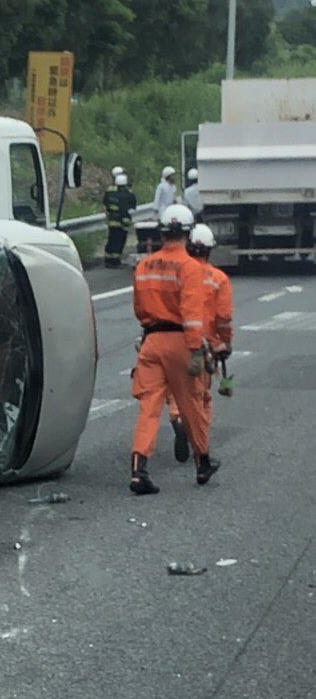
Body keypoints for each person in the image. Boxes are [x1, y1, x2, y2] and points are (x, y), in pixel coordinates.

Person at [129, 203, 219, 494]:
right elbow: (192, 312)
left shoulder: (144, 265)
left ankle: (138, 469)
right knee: (191, 404)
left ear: (162, 232)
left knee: (150, 407)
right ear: (189, 233)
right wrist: (196, 349)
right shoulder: (190, 267)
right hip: (180, 341)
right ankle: (202, 462)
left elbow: (140, 308)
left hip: (151, 340)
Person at [167, 222, 233, 462]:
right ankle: (199, 443)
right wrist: (225, 343)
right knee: (202, 395)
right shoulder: (219, 279)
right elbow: (224, 317)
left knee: (176, 389)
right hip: (206, 344)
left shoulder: (177, 272)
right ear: (209, 249)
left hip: (174, 339)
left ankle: (177, 417)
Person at [102, 171, 137, 269]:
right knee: (119, 241)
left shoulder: (110, 193)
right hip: (123, 222)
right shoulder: (129, 195)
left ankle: (108, 260)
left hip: (112, 220)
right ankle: (115, 261)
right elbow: (132, 208)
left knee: (111, 239)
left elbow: (105, 204)